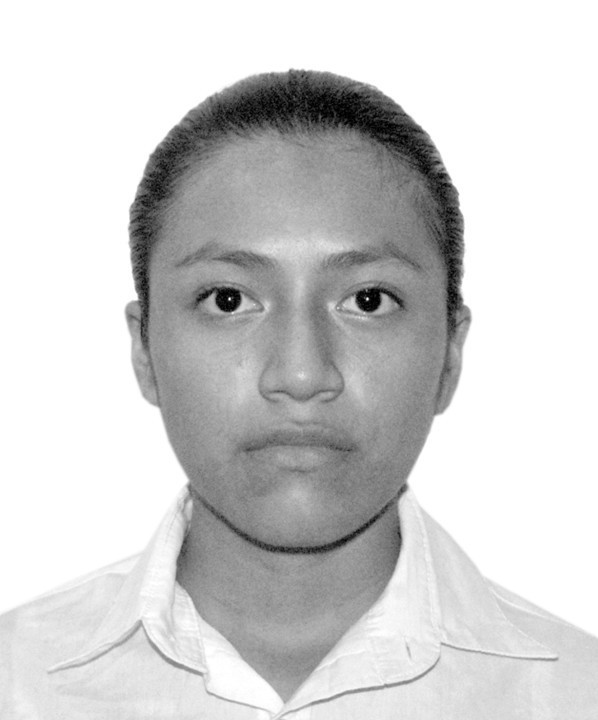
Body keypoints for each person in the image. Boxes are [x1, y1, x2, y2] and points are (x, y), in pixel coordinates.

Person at [1, 69, 596, 718]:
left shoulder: (576, 694)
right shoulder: (18, 684)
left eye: (368, 300)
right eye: (229, 300)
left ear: (450, 351)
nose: (302, 374)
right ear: (145, 349)